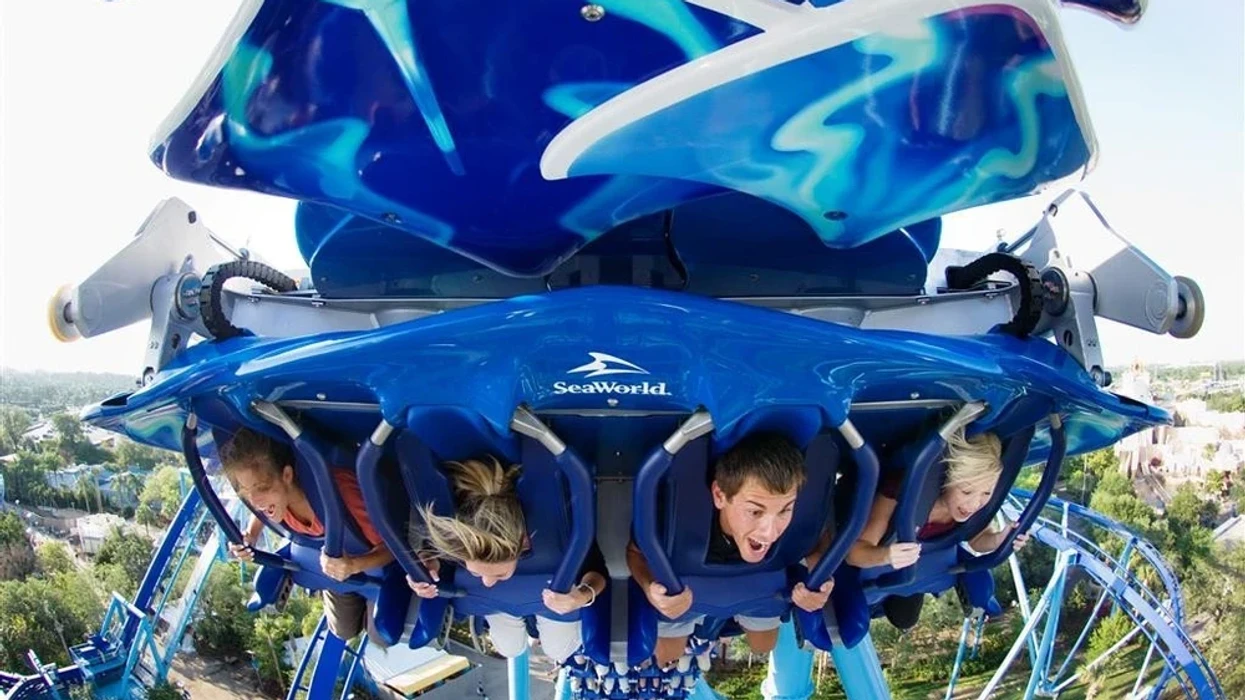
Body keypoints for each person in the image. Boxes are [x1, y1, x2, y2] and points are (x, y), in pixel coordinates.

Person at [627, 432, 835, 667]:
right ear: (719, 496)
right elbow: (636, 553)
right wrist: (650, 588)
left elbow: (816, 542)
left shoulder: (799, 519)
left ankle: (715, 631)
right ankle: (704, 637)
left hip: (759, 586)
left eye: (784, 510)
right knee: (667, 656)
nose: (769, 532)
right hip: (685, 590)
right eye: (755, 512)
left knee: (763, 647)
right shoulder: (673, 517)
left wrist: (820, 581)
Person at [407, 456, 607, 664]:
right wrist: (427, 567)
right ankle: (529, 625)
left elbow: (596, 569)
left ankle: (535, 627)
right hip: (498, 601)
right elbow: (436, 557)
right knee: (509, 648)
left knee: (558, 651)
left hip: (550, 595)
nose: (487, 582)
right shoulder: (464, 541)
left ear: (525, 543)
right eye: (476, 573)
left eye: (499, 574)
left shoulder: (559, 535)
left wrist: (580, 597)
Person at [220, 427, 394, 642]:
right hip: (333, 570)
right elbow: (263, 510)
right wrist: (251, 535)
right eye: (246, 492)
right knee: (343, 631)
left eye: (262, 488)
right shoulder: (274, 503)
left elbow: (393, 548)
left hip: (371, 562)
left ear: (287, 475)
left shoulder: (342, 497)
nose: (255, 502)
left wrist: (354, 565)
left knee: (380, 635)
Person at [846, 428, 1029, 630]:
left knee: (906, 620)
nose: (975, 503)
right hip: (885, 565)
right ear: (945, 479)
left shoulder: (975, 506)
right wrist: (886, 555)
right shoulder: (899, 490)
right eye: (966, 491)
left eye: (986, 493)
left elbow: (978, 539)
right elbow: (855, 553)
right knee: (882, 611)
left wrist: (999, 539)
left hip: (926, 568)